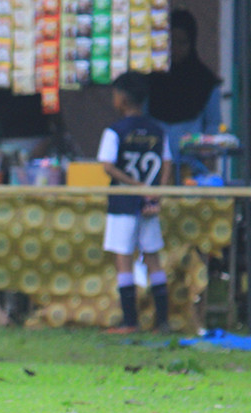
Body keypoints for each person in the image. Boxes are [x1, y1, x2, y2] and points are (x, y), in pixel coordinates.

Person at [97, 71, 173, 334]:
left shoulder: (115, 131)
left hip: (123, 203)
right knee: (153, 257)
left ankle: (130, 322)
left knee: (124, 259)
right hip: (149, 204)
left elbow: (107, 166)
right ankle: (163, 320)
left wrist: (133, 185)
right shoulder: (158, 131)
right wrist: (156, 193)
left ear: (121, 98)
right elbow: (167, 164)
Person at [147, 9, 221, 179]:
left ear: (192, 43)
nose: (175, 49)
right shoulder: (152, 80)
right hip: (152, 171)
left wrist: (203, 151)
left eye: (182, 42)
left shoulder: (205, 82)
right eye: (171, 41)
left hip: (191, 171)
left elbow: (213, 128)